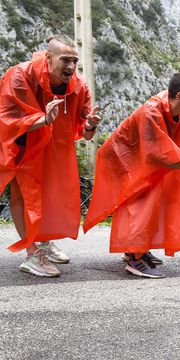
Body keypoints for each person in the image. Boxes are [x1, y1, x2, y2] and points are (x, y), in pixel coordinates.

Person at [83, 74, 180, 278]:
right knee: (142, 205)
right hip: (122, 160)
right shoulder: (151, 112)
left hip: (140, 161)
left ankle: (135, 250)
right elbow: (154, 152)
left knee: (156, 201)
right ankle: (135, 260)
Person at [0, 35, 100, 277]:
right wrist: (42, 120)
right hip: (20, 147)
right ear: (48, 57)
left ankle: (42, 241)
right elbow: (6, 119)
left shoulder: (78, 86)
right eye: (65, 60)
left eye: (75, 61)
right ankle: (31, 253)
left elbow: (84, 131)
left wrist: (90, 125)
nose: (71, 67)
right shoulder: (20, 75)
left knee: (50, 196)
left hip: (53, 149)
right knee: (23, 195)